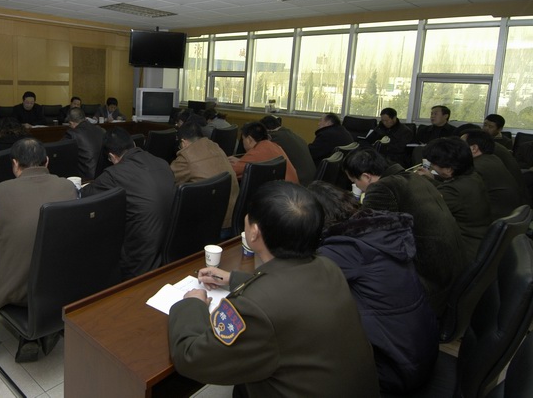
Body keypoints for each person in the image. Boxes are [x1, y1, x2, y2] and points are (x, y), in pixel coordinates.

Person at [168, 181, 379, 398]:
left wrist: (192, 304)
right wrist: (233, 279)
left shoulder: (254, 308)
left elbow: (191, 358)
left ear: (254, 233)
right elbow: (290, 291)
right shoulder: (328, 267)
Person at [309, 181, 438, 393]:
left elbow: (300, 282)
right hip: (419, 351)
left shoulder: (346, 248)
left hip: (394, 370)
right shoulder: (378, 232)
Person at [0, 138, 76, 360]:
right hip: (63, 285)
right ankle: (45, 329)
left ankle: (34, 333)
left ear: (14, 164)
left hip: (16, 290)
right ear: (47, 161)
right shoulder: (69, 187)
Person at [343, 148, 466, 317]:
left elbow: (368, 236)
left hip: (430, 285)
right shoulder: (414, 178)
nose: (358, 188)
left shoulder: (382, 188)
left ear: (366, 176)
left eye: (355, 182)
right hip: (452, 273)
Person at [81, 127, 174, 279]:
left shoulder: (115, 174)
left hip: (139, 261)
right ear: (134, 144)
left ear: (112, 157)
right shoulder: (162, 163)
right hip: (168, 248)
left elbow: (85, 195)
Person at [417, 137, 492, 261]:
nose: (432, 167)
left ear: (449, 169)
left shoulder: (453, 191)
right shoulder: (473, 177)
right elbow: (450, 190)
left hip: (462, 252)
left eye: (433, 164)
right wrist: (431, 179)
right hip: (479, 244)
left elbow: (421, 213)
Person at [171, 121, 239, 236]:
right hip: (232, 219)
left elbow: (168, 180)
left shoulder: (186, 155)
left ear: (183, 142)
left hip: (210, 226)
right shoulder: (215, 146)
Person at [462, 129, 524, 220]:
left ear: (474, 148)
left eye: (460, 145)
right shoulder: (493, 158)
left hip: (491, 218)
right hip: (507, 214)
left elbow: (460, 194)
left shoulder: (476, 167)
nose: (456, 148)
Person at [229, 121, 299, 182]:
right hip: (291, 189)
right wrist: (241, 161)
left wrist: (226, 162)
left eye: (243, 139)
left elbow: (230, 172)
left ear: (249, 140)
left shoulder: (257, 152)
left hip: (280, 191)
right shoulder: (273, 146)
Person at [260, 114, 316, 186]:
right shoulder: (291, 134)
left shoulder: (274, 138)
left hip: (300, 183)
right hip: (311, 180)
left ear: (266, 130)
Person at [63, 107, 105, 181]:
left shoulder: (72, 134)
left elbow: (60, 151)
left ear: (71, 123)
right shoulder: (100, 130)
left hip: (86, 179)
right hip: (103, 175)